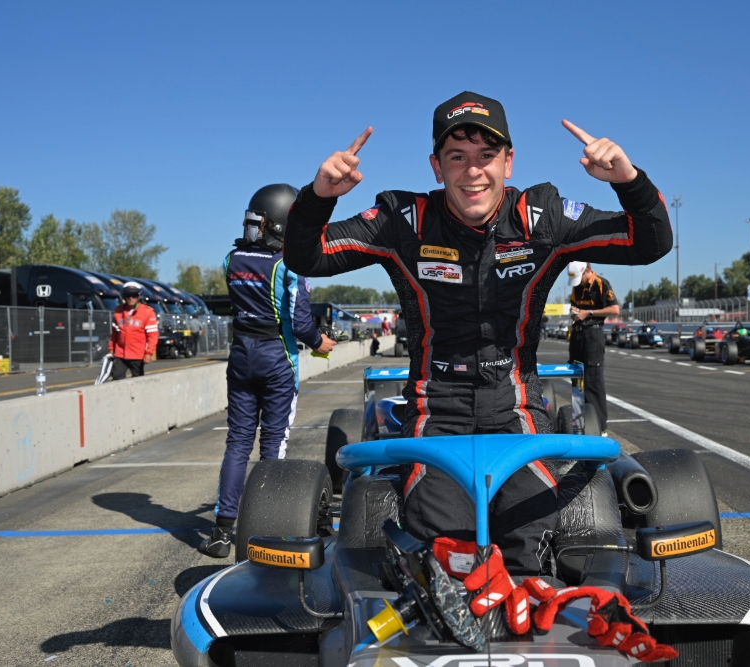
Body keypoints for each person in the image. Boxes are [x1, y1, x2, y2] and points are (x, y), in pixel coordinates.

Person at [285, 91, 671, 574]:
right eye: (457, 157)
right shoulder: (403, 221)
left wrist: (629, 182)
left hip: (517, 406)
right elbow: (306, 256)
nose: (473, 171)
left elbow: (650, 242)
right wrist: (318, 197)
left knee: (525, 541)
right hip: (434, 407)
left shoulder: (543, 216)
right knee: (445, 545)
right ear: (436, 167)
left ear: (508, 162)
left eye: (487, 155)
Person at [199, 184, 337, 559]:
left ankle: (222, 530)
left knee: (237, 443)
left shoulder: (231, 260)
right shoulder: (288, 264)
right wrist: (320, 342)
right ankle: (264, 527)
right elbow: (301, 322)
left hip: (241, 355)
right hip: (277, 358)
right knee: (273, 446)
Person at [567, 262, 620, 435]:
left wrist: (588, 313)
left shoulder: (601, 283)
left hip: (593, 335)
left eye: (580, 278)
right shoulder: (577, 287)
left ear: (587, 271)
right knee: (576, 379)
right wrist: (575, 311)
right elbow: (575, 306)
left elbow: (615, 309)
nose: (579, 283)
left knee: (593, 382)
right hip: (577, 334)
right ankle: (578, 423)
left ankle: (599, 428)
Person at [109, 282, 158, 380]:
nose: (131, 298)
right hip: (120, 353)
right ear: (124, 296)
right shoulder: (118, 311)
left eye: (134, 295)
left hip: (137, 354)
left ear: (139, 296)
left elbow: (153, 335)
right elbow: (114, 333)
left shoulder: (148, 312)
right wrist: (111, 348)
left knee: (137, 380)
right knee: (116, 377)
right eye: (128, 295)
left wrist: (149, 353)